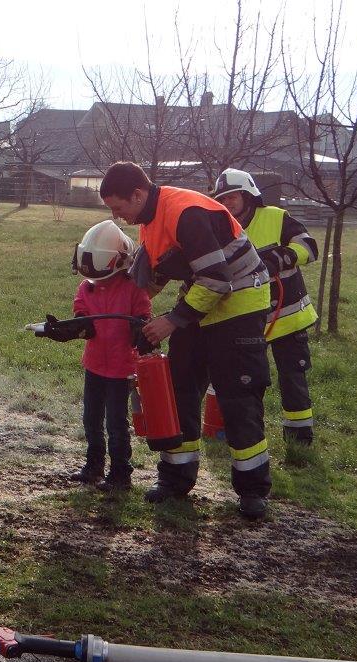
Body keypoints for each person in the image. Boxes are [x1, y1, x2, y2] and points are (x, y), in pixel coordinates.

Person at [99, 161, 272, 519]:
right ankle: (175, 479)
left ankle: (253, 491)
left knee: (238, 399)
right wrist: (119, 307)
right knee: (179, 390)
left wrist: (172, 321)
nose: (118, 217)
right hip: (202, 302)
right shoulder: (150, 222)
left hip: (239, 306)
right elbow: (153, 280)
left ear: (137, 195)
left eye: (118, 208)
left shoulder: (185, 212)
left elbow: (217, 280)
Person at [212, 169, 318, 445]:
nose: (227, 203)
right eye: (222, 199)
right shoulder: (220, 228)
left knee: (292, 378)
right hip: (246, 321)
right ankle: (247, 435)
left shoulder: (275, 217)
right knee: (248, 381)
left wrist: (280, 258)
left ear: (248, 195)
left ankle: (299, 440)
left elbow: (309, 247)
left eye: (232, 197)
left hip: (287, 317)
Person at [66, 220, 152, 490]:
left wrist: (141, 327)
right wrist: (80, 321)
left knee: (116, 422)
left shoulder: (133, 288)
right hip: (94, 364)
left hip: (121, 367)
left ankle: (120, 474)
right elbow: (80, 305)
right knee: (91, 419)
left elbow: (143, 312)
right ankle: (93, 466)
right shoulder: (87, 287)